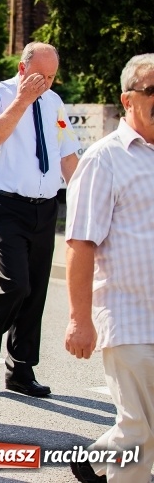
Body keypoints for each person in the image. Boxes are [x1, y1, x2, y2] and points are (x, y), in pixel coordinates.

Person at [64, 53, 154, 483]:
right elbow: (80, 242)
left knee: (142, 430)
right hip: (129, 316)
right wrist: (80, 319)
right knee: (140, 430)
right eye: (152, 90)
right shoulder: (104, 159)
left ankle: (98, 458)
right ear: (128, 100)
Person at [0, 42, 80, 397]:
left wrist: (85, 197)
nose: (45, 84)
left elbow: (67, 156)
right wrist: (23, 100)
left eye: (51, 77)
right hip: (5, 203)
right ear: (22, 69)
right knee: (15, 283)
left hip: (45, 207)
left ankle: (20, 369)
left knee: (35, 290)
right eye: (39, 76)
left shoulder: (54, 103)